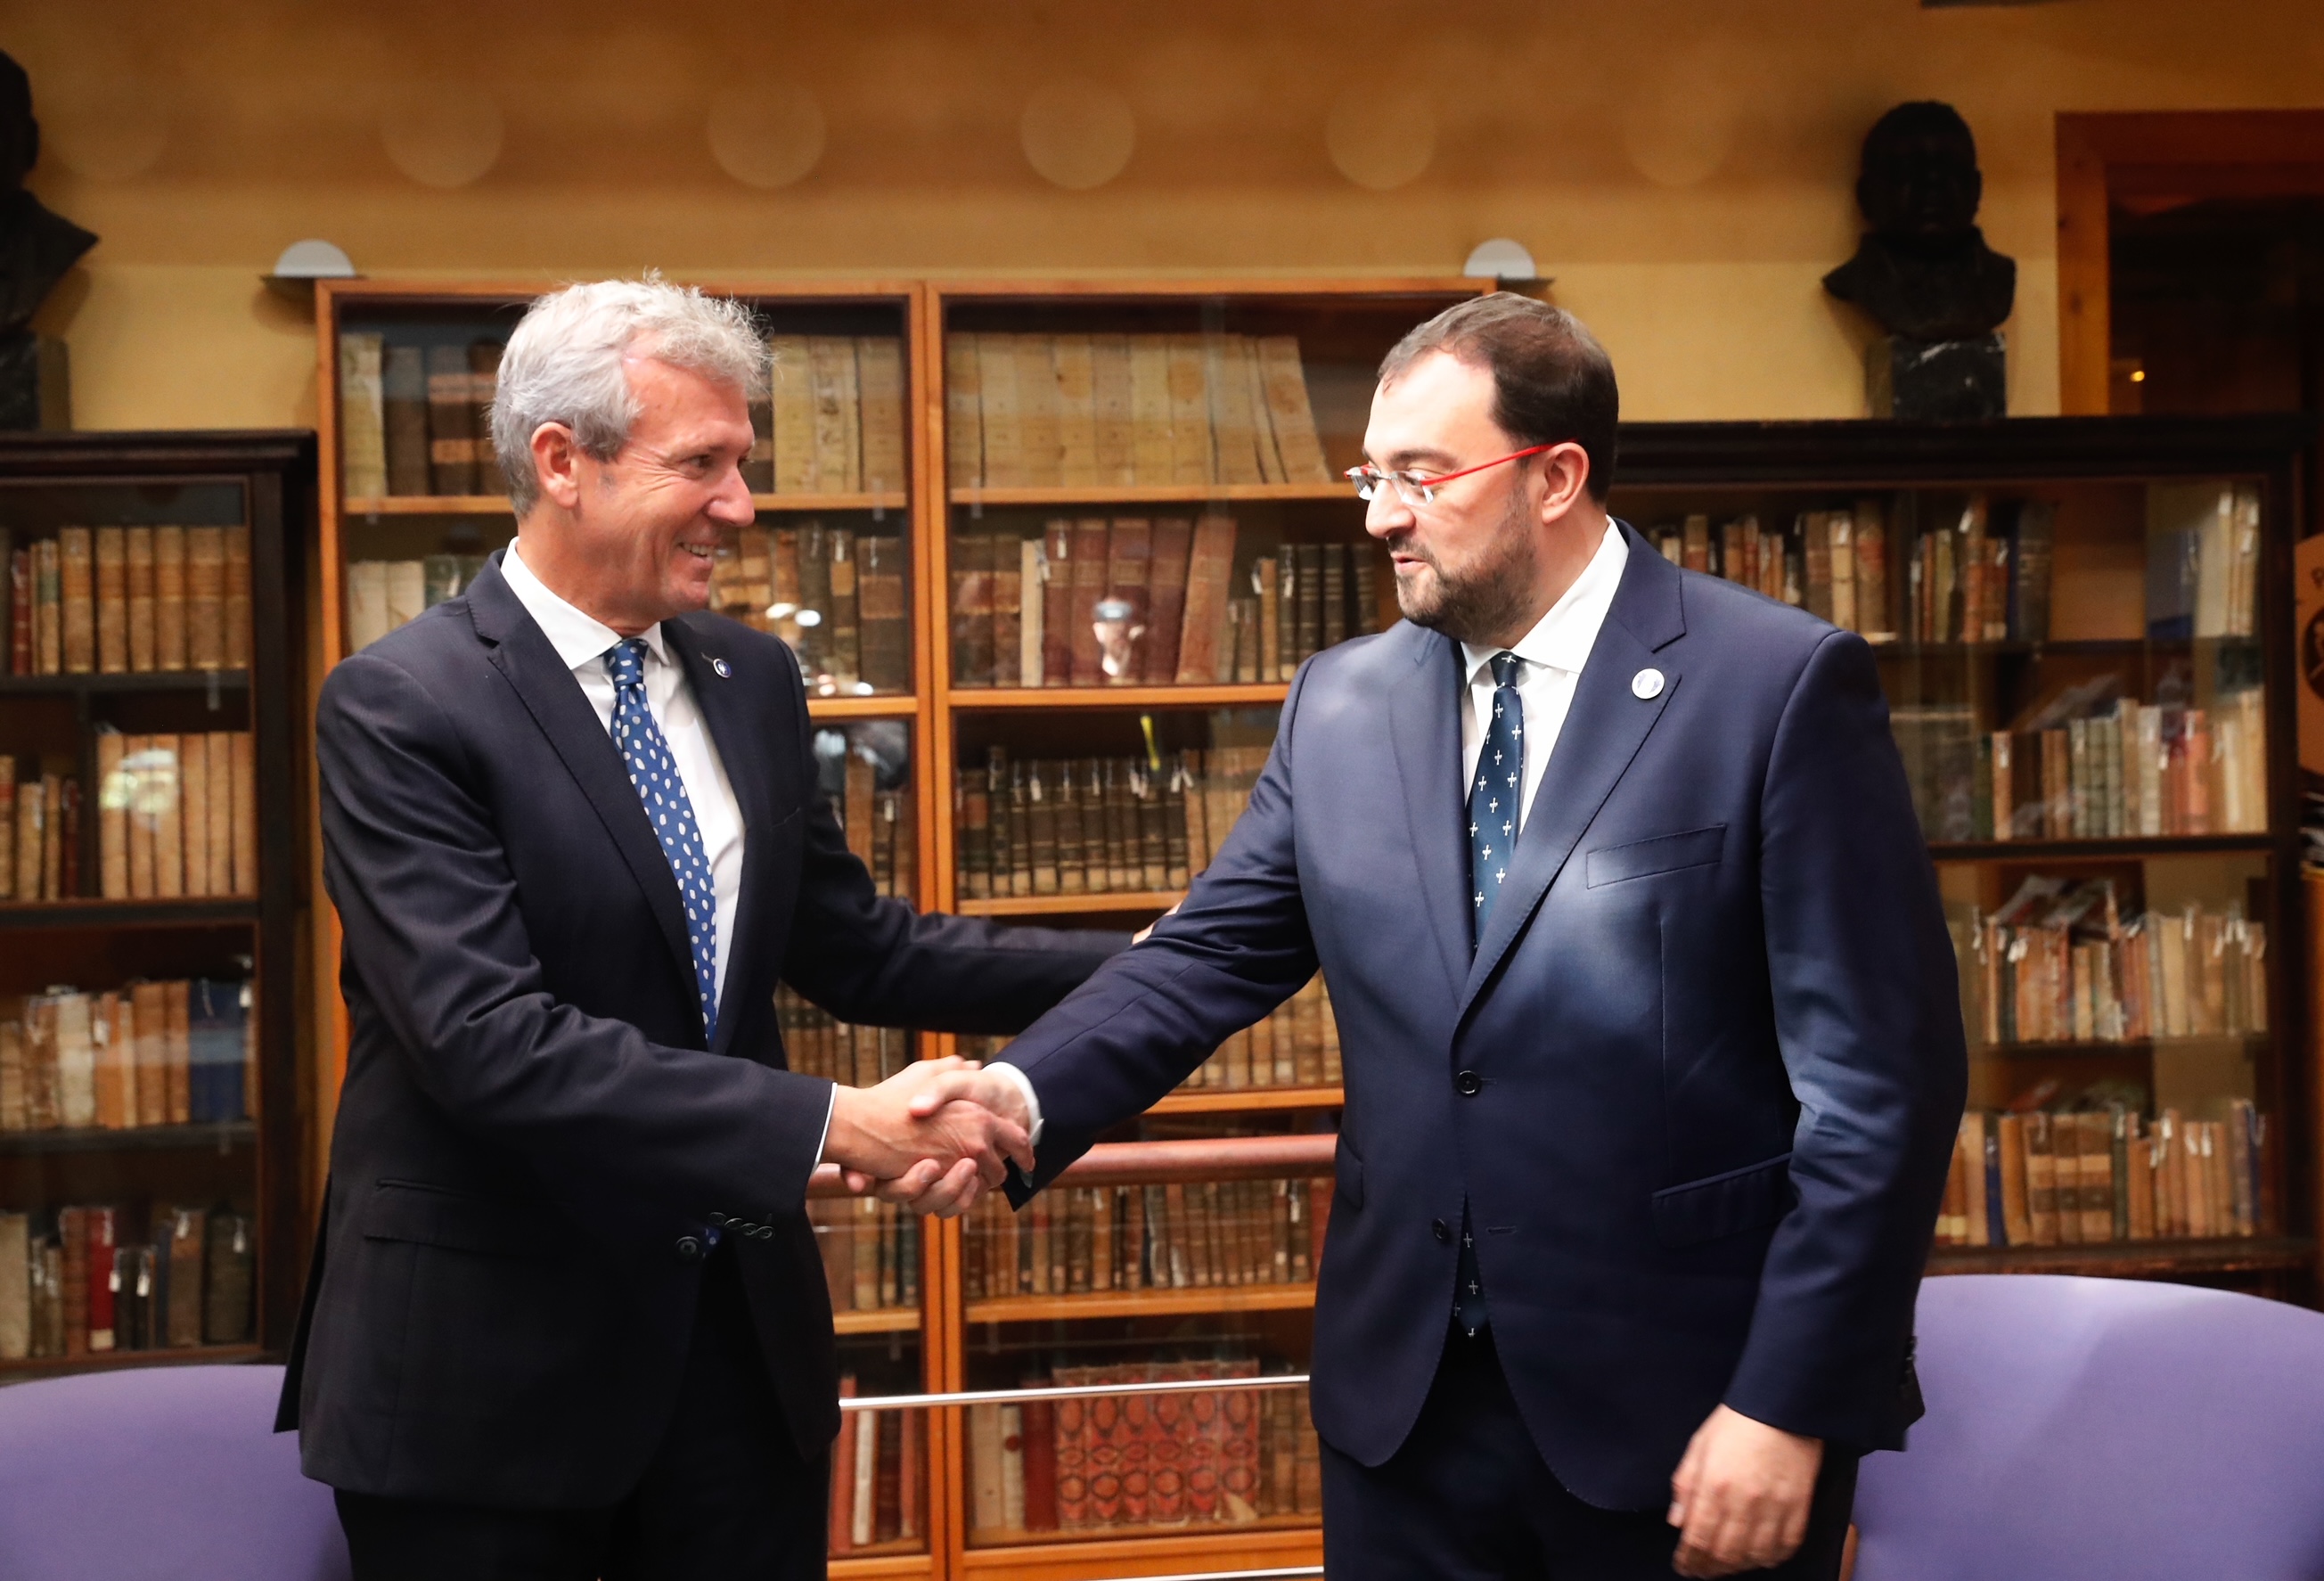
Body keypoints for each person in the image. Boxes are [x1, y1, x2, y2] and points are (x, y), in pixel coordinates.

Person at [906, 294, 1967, 1579]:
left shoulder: (1775, 686)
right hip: (1403, 1414)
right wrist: (1018, 1094)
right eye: (1372, 475)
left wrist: (1788, 1400)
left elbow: (1878, 1091)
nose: (1380, 516)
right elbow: (1211, 952)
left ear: (1554, 476)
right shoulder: (1340, 701)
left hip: (1686, 1413)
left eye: (1421, 474)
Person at [278, 277, 1121, 1581]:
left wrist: (1164, 958)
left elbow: (857, 947)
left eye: (745, 462)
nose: (741, 504)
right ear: (563, 462)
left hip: (736, 1362)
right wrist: (835, 1121)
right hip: (487, 1383)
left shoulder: (751, 677)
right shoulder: (402, 706)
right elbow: (488, 1039)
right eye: (703, 464)